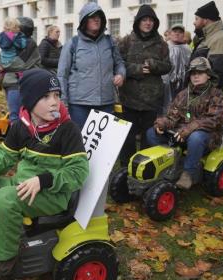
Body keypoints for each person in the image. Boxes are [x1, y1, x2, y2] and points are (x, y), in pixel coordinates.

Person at [0, 69, 89, 279]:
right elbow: (3, 157)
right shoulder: (22, 126)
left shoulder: (67, 130)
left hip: (53, 194)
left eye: (57, 95)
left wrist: (44, 179)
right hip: (23, 184)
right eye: (46, 96)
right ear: (29, 101)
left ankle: (4, 260)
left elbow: (79, 171)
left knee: (3, 198)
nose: (54, 102)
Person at [146, 57, 223, 189]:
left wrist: (190, 128)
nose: (195, 76)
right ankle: (171, 164)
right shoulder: (183, 94)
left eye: (200, 73)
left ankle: (188, 173)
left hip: (207, 136)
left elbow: (215, 118)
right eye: (193, 74)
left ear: (208, 75)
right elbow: (172, 116)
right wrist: (162, 123)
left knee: (196, 137)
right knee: (152, 132)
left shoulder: (217, 95)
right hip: (181, 133)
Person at [117, 4, 171, 166]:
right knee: (128, 136)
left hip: (151, 100)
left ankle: (145, 168)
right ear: (138, 22)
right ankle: (127, 168)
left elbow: (168, 66)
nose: (148, 23)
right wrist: (138, 69)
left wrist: (154, 65)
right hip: (129, 98)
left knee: (149, 136)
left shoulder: (161, 44)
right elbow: (119, 65)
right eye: (144, 20)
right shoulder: (127, 41)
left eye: (151, 20)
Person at [57, 2, 125, 129]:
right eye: (92, 16)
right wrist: (63, 103)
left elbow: (119, 63)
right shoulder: (72, 44)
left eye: (99, 16)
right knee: (80, 142)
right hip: (79, 106)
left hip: (106, 103)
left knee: (104, 143)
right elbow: (62, 75)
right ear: (84, 20)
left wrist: (121, 74)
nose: (96, 19)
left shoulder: (110, 42)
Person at [1, 17, 40, 124]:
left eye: (17, 27)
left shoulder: (29, 43)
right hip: (12, 83)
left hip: (20, 83)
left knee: (18, 116)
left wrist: (3, 66)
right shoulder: (15, 41)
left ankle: (20, 139)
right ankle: (19, 138)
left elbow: (18, 63)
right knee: (17, 115)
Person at [191, 1, 223, 89]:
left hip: (206, 93)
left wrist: (206, 94)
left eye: (197, 19)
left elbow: (217, 72)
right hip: (198, 89)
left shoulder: (220, 38)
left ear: (205, 20)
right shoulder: (206, 37)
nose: (194, 22)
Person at [162, 24, 191, 111]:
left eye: (180, 32)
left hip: (182, 84)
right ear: (170, 33)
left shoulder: (187, 49)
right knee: (166, 107)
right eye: (175, 31)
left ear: (183, 35)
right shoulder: (164, 47)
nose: (177, 34)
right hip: (165, 85)